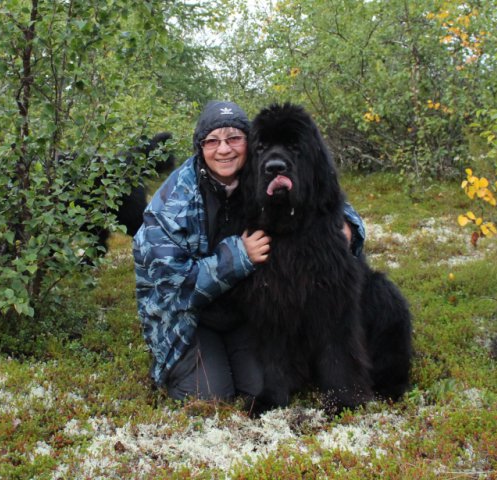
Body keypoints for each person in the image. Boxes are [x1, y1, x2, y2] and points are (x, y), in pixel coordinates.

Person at [133, 100, 366, 402]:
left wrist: (348, 224)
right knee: (209, 395)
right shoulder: (174, 200)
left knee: (264, 387)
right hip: (189, 319)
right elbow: (171, 287)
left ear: (249, 142)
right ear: (200, 147)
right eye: (212, 141)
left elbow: (320, 188)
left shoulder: (255, 171)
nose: (224, 150)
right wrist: (237, 258)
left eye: (234, 138)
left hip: (242, 316)